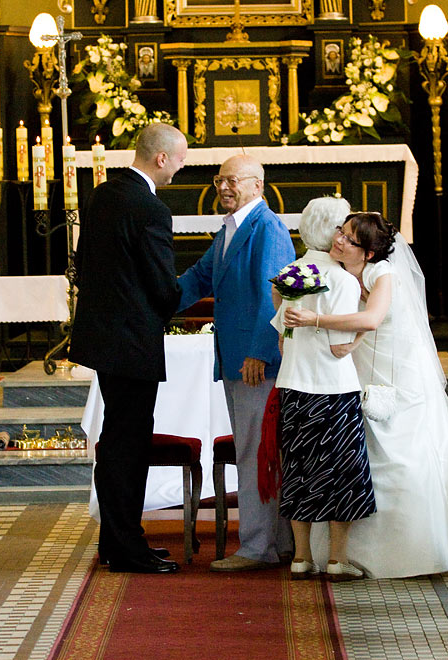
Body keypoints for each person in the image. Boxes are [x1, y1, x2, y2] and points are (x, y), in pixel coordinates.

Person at [284, 212, 448, 578]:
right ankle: (340, 554)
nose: (339, 241)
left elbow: (371, 319)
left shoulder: (384, 274)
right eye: (341, 232)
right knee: (362, 451)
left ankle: (418, 547)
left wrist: (316, 322)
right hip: (361, 367)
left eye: (350, 240)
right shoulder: (339, 273)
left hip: (397, 371)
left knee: (404, 448)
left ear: (368, 253)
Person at [68, 122, 188, 574]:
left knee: (116, 441)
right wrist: (180, 298)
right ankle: (125, 547)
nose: (179, 169)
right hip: (133, 342)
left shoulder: (103, 194)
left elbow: (82, 263)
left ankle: (118, 542)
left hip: (104, 338)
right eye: (178, 160)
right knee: (128, 445)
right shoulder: (150, 208)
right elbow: (162, 285)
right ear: (161, 158)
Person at [177, 154, 295, 572]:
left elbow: (275, 294)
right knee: (259, 450)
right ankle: (280, 543)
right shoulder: (230, 229)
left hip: (254, 362)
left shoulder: (268, 228)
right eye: (219, 179)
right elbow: (197, 279)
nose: (224, 187)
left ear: (257, 186)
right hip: (236, 359)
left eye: (233, 180)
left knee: (254, 452)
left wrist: (260, 351)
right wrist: (149, 300)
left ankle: (256, 547)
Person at [271, 197, 375, 581]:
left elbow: (282, 335)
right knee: (342, 472)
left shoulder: (289, 273)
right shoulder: (343, 280)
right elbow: (338, 346)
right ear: (336, 232)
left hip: (294, 386)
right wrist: (365, 329)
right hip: (333, 390)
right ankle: (337, 559)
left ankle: (301, 557)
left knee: (299, 469)